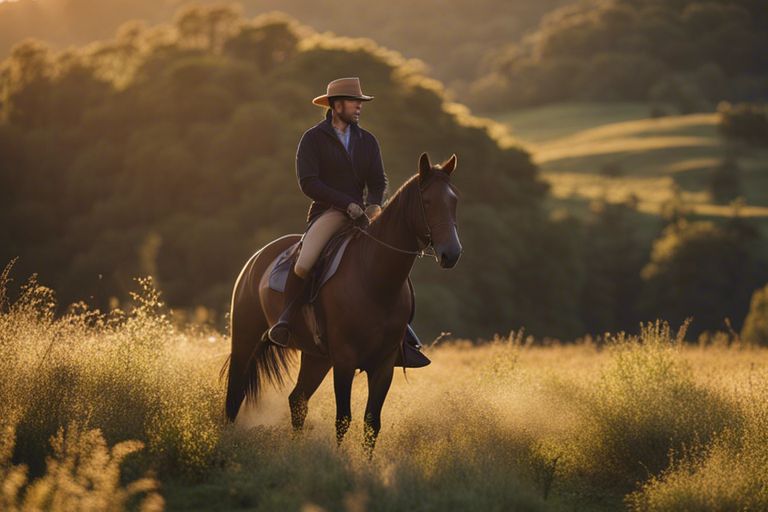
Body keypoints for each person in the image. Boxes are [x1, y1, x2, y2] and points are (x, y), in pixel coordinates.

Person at [267, 77, 386, 347]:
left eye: (360, 102)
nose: (359, 107)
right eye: (354, 102)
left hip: (363, 215)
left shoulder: (368, 141)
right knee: (305, 261)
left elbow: (378, 181)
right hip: (328, 212)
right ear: (336, 105)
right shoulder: (312, 139)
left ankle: (403, 334)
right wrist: (346, 204)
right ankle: (286, 319)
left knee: (388, 257)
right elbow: (309, 182)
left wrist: (374, 204)